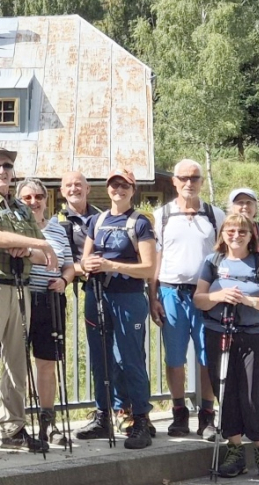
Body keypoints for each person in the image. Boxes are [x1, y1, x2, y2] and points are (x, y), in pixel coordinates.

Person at [0, 148, 56, 459]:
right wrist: (35, 243)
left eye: (7, 165)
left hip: (19, 288)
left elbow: (44, 258)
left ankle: (13, 428)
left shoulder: (21, 209)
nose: (1, 170)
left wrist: (29, 250)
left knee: (17, 364)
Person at [195, 214, 259, 482]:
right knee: (226, 391)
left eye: (242, 231)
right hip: (219, 334)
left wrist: (248, 300)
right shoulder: (212, 262)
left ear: (251, 235)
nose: (236, 235)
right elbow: (199, 299)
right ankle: (234, 451)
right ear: (222, 234)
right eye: (230, 230)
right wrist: (217, 296)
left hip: (254, 336)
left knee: (253, 393)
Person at [78, 167, 157, 449]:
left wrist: (111, 265)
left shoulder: (140, 224)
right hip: (97, 295)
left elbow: (149, 268)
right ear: (107, 188)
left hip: (128, 297)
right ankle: (103, 416)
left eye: (125, 186)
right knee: (100, 358)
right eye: (114, 185)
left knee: (130, 358)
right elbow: (82, 263)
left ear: (132, 190)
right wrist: (87, 266)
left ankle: (140, 420)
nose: (118, 190)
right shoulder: (96, 221)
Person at [150, 160, 225, 440]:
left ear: (202, 180)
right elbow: (154, 260)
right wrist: (152, 297)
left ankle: (207, 415)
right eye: (183, 177)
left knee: (207, 357)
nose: (189, 182)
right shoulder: (162, 216)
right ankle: (179, 412)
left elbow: (224, 255)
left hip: (206, 295)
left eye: (194, 177)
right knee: (175, 357)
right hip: (171, 293)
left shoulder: (215, 214)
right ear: (174, 181)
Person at [16, 178, 76, 447]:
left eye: (38, 196)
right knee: (16, 364)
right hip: (21, 300)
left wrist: (64, 281)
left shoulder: (59, 229)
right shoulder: (16, 228)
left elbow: (70, 266)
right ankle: (17, 424)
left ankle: (47, 421)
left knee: (47, 363)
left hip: (51, 301)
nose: (34, 201)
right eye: (27, 197)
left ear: (46, 199)